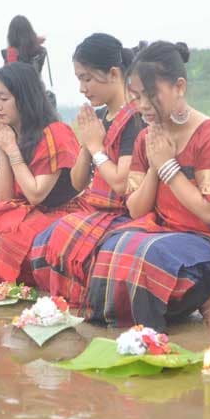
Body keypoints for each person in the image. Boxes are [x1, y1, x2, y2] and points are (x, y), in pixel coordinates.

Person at [84, 42, 210, 330]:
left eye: (152, 96)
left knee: (153, 252)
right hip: (171, 238)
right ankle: (150, 322)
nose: (143, 107)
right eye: (137, 97)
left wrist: (168, 166)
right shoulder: (146, 139)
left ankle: (209, 302)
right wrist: (154, 165)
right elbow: (136, 209)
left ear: (179, 87)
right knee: (115, 244)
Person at [30, 33, 145, 307]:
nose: (82, 88)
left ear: (114, 73)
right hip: (99, 208)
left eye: (87, 78)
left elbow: (122, 184)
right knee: (51, 237)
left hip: (127, 211)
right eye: (79, 79)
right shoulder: (101, 117)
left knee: (68, 234)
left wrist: (95, 148)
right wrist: (86, 144)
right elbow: (77, 181)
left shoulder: (134, 118)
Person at [0, 62, 81, 285]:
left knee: (11, 232)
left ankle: (20, 287)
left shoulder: (54, 133)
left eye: (4, 98)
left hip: (60, 210)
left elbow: (36, 194)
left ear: (24, 97)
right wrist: (3, 146)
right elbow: (3, 196)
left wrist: (11, 148)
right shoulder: (14, 133)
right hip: (34, 209)